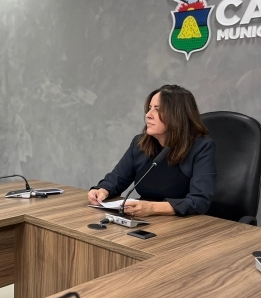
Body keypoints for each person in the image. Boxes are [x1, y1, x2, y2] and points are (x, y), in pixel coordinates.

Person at [88, 85, 216, 217]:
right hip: (145, 219)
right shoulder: (140, 144)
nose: (148, 115)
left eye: (157, 109)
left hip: (184, 222)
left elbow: (200, 201)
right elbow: (116, 179)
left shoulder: (202, 147)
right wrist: (102, 191)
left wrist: (152, 208)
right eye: (149, 108)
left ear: (177, 115)